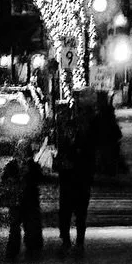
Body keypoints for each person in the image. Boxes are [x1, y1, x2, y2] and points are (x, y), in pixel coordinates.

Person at [53, 98, 100, 254]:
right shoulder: (64, 143)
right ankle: (66, 240)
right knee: (65, 214)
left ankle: (79, 242)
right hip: (68, 183)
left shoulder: (84, 143)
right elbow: (59, 162)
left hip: (80, 183)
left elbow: (89, 162)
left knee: (80, 215)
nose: (69, 133)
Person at [0, 138, 45, 261]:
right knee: (15, 226)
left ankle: (30, 249)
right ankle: (14, 251)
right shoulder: (12, 165)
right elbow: (5, 179)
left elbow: (38, 179)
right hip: (17, 200)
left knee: (29, 225)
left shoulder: (33, 166)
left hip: (29, 200)